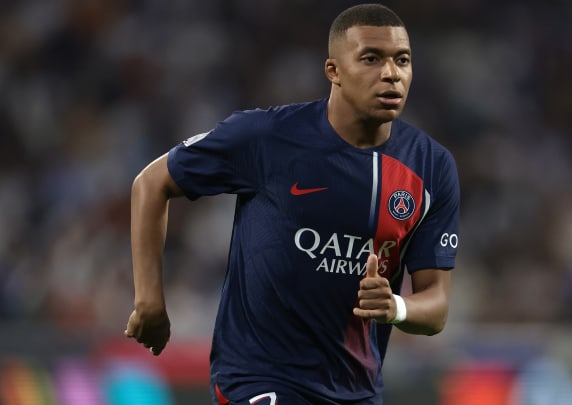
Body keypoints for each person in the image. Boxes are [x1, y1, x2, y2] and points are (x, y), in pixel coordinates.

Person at [124, 3, 460, 404]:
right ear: (333, 71)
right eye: (371, 59)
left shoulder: (430, 167)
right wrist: (149, 301)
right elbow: (151, 183)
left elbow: (436, 306)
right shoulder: (265, 137)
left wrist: (396, 307)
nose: (391, 73)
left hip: (356, 392)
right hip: (258, 378)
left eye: (402, 60)